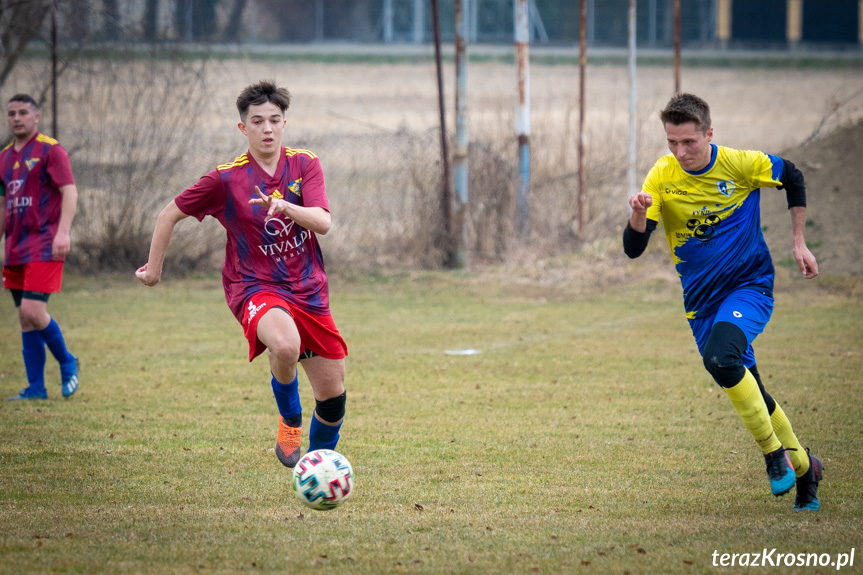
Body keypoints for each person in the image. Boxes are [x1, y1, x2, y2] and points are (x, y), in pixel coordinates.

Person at [623, 93, 823, 511]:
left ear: (709, 134)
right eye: (672, 143)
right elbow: (634, 248)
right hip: (701, 303)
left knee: (721, 358)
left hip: (749, 286)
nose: (680, 152)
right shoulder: (662, 175)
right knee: (752, 388)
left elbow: (794, 175)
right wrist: (639, 215)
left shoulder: (740, 164)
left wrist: (799, 242)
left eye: (689, 143)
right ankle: (807, 469)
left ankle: (773, 455)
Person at [136, 80, 347, 468]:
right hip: (253, 286)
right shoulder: (225, 179)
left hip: (308, 290)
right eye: (257, 121)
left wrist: (285, 206)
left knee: (333, 400)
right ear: (243, 128)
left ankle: (318, 467)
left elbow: (323, 222)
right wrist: (153, 269)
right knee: (285, 345)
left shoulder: (305, 164)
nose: (267, 128)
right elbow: (170, 214)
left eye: (274, 120)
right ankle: (289, 419)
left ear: (284, 123)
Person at [2, 93, 79, 401]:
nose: (16, 118)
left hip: (45, 244)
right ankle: (36, 388)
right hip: (16, 248)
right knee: (24, 316)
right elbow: (2, 204)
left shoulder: (51, 150)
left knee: (34, 311)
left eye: (23, 112)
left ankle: (67, 361)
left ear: (35, 117)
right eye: (11, 113)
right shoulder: (4, 158)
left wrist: (63, 233)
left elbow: (69, 192)